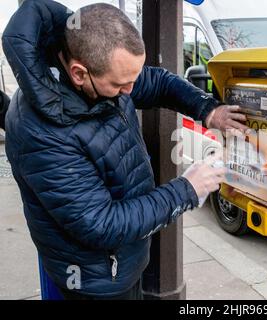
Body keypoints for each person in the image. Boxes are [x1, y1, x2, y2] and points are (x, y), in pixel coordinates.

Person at [2, 0, 248, 300]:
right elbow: (101, 223)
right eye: (120, 85)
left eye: (133, 79)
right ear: (79, 73)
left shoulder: (100, 69)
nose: (130, 92)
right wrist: (187, 189)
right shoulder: (41, 134)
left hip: (122, 261)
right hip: (95, 281)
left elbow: (156, 82)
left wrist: (208, 110)